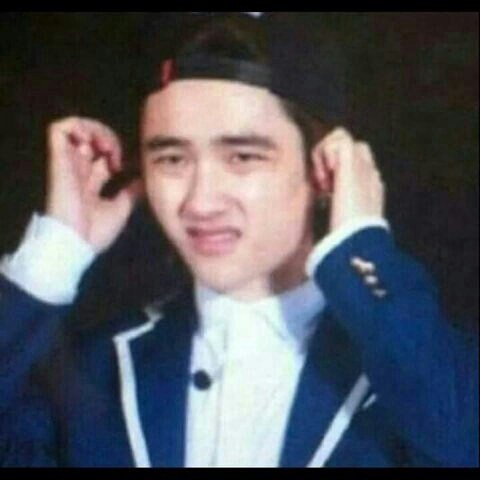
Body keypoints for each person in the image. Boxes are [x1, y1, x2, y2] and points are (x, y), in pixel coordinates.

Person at [0, 13, 477, 467]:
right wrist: (53, 254)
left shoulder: (419, 360)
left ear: (327, 169)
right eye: (172, 159)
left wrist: (360, 247)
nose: (200, 201)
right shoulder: (94, 372)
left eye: (243, 157)